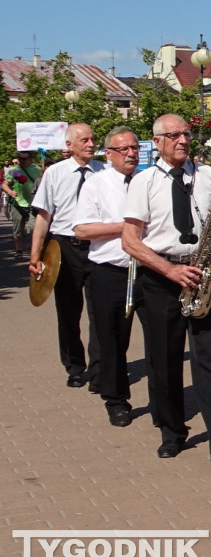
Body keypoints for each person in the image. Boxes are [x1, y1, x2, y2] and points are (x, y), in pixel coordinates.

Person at [122, 114, 211, 462]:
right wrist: (169, 270)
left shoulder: (208, 174)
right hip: (161, 275)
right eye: (174, 135)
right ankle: (172, 431)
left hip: (206, 272)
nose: (183, 140)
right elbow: (130, 241)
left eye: (186, 133)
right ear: (157, 142)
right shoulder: (143, 181)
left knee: (209, 356)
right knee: (164, 360)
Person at [72, 127, 141, 427]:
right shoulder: (96, 183)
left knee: (159, 339)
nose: (130, 153)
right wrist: (126, 228)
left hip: (148, 271)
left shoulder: (147, 180)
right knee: (112, 340)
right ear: (109, 154)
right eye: (123, 149)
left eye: (134, 148)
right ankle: (116, 400)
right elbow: (82, 230)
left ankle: (166, 404)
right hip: (110, 272)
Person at [29, 124, 103, 389]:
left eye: (93, 139)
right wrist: (35, 255)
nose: (91, 144)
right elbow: (43, 216)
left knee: (101, 311)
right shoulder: (55, 174)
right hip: (63, 249)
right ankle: (74, 366)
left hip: (97, 248)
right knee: (68, 312)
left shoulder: (104, 172)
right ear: (69, 145)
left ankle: (99, 369)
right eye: (84, 140)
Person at [4, 151, 42, 257]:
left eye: (24, 159)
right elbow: (5, 184)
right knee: (18, 229)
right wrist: (10, 192)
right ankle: (19, 250)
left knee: (33, 228)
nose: (21, 161)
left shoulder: (38, 170)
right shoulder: (14, 170)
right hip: (18, 203)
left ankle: (34, 252)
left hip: (34, 203)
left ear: (30, 159)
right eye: (19, 158)